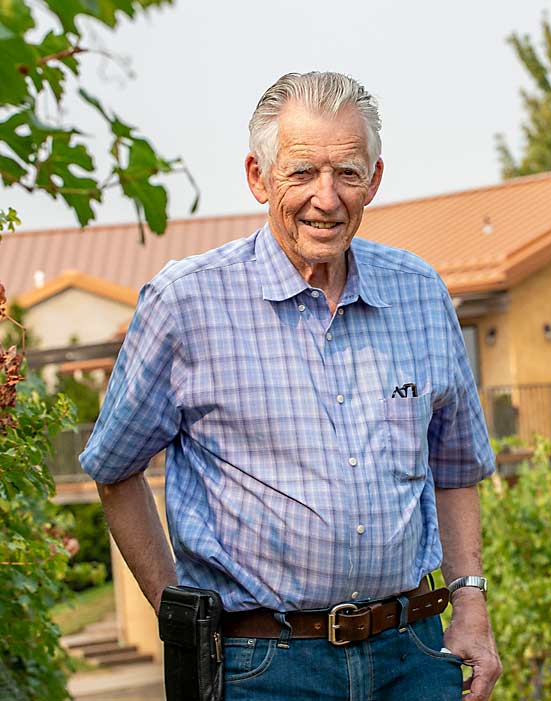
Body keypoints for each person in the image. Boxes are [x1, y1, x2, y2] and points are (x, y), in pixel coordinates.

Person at [80, 71, 502, 700]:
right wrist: (183, 622)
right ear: (258, 176)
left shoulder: (420, 291)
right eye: (302, 173)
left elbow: (455, 465)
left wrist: (469, 602)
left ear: (375, 179)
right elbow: (115, 469)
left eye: (348, 174)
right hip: (262, 670)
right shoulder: (186, 303)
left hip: (413, 653)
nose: (326, 199)